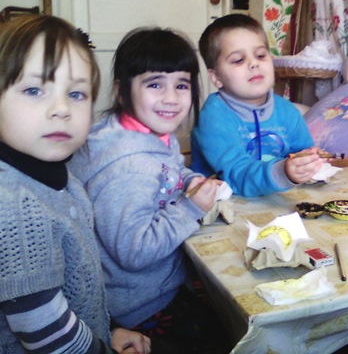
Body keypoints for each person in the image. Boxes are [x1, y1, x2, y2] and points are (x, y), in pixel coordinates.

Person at [69, 27, 229, 353]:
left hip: (155, 284)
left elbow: (168, 169)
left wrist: (188, 180)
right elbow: (135, 252)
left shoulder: (150, 132)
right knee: (225, 334)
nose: (171, 98)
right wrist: (190, 208)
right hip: (138, 306)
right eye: (155, 84)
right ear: (121, 91)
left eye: (181, 85)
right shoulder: (129, 169)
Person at [0, 15, 150, 354]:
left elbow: (77, 285)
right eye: (34, 90)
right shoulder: (13, 207)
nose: (61, 109)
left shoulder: (65, 181)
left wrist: (108, 329)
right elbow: (48, 335)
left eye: (77, 93)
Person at [190, 13, 324, 197]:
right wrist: (284, 172)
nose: (254, 64)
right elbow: (236, 175)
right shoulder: (213, 117)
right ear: (216, 77)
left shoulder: (287, 111)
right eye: (238, 60)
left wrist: (309, 161)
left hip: (278, 202)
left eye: (261, 55)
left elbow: (301, 152)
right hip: (225, 206)